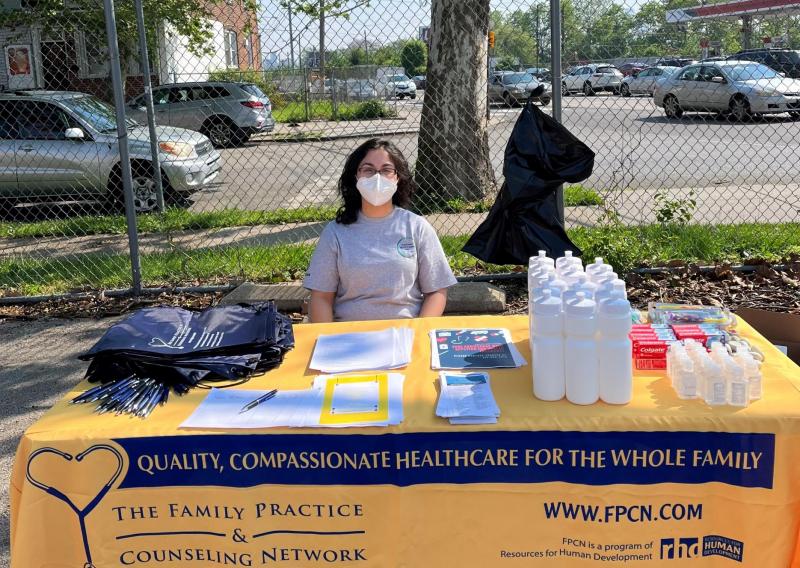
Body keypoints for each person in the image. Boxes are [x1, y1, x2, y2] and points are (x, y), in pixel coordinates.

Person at [303, 138, 457, 322]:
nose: (377, 177)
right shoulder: (335, 232)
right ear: (356, 176)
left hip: (405, 332)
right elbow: (321, 297)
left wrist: (418, 331)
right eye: (368, 169)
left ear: (398, 177)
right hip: (349, 333)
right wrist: (328, 336)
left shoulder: (417, 227)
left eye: (386, 170)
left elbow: (436, 291)